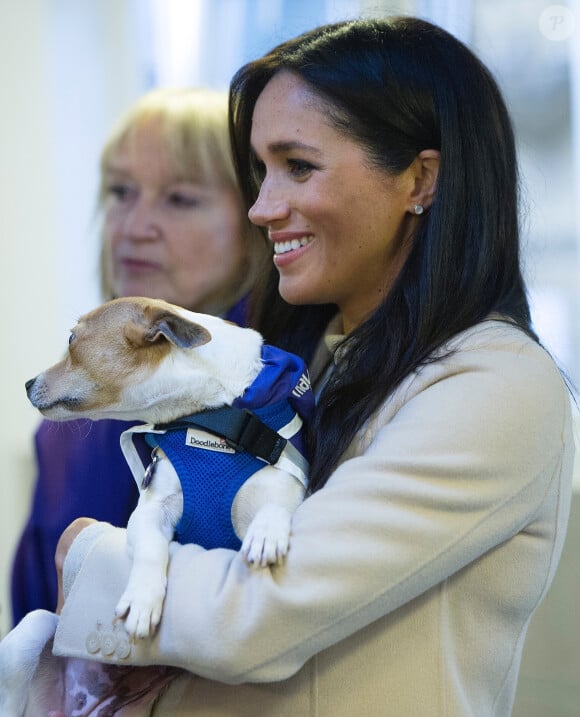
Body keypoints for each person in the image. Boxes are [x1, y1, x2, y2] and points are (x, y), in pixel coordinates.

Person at [10, 15, 576, 716]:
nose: (262, 207)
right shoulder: (298, 365)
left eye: (298, 166)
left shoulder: (497, 385)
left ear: (420, 181)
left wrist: (89, 555)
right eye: (259, 172)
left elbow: (257, 612)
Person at [10, 87, 266, 625]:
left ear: (256, 218)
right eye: (121, 192)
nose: (133, 226)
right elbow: (39, 620)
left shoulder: (280, 386)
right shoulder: (65, 422)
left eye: (180, 198)